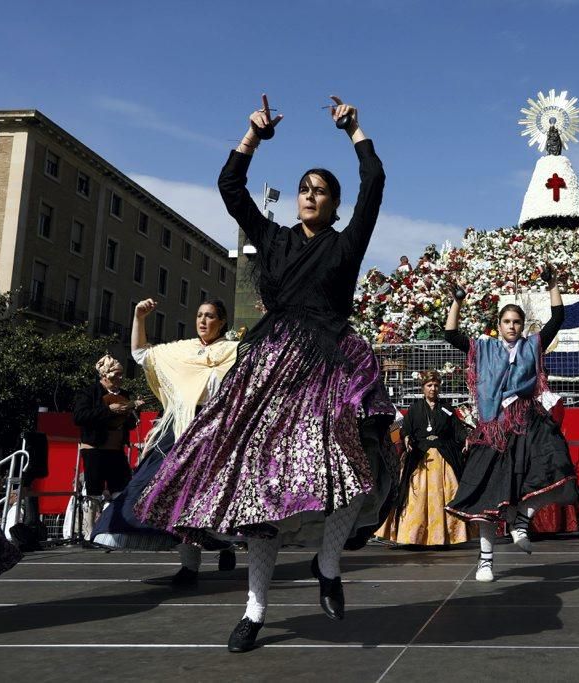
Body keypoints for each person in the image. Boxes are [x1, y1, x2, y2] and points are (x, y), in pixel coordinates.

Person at [136, 95, 397, 653]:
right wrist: (251, 136)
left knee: (347, 468)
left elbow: (374, 182)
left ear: (333, 204)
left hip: (328, 361)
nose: (309, 194)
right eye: (305, 187)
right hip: (270, 364)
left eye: (321, 190)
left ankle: (329, 566)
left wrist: (355, 133)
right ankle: (256, 608)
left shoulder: (346, 245)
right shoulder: (274, 239)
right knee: (258, 487)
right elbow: (230, 187)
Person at [443, 266, 579, 582]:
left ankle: (522, 519)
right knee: (488, 494)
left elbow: (557, 319)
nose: (512, 326)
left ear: (522, 325)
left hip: (528, 420)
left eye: (517, 322)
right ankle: (486, 561)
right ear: (499, 325)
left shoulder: (532, 346)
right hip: (494, 426)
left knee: (557, 466)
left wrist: (553, 286)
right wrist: (457, 301)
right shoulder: (484, 348)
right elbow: (450, 334)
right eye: (507, 322)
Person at [93, 298, 239, 585]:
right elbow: (140, 354)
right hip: (181, 427)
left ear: (222, 321)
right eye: (199, 315)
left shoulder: (234, 352)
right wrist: (139, 317)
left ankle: (227, 542)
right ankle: (189, 566)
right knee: (169, 493)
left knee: (214, 493)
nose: (202, 321)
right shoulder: (181, 351)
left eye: (209, 316)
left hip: (218, 428)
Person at [377, 371, 473, 546]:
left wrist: (465, 438)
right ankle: (413, 536)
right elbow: (405, 429)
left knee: (449, 493)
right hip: (419, 456)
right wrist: (406, 439)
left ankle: (446, 536)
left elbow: (457, 429)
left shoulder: (447, 409)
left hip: (444, 457)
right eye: (429, 385)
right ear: (423, 388)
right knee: (414, 496)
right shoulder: (414, 409)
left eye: (436, 385)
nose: (433, 389)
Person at [72, 355, 138, 501]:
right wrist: (109, 410)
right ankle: (92, 522)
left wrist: (130, 413)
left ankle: (116, 523)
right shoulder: (89, 393)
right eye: (117, 374)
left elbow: (131, 424)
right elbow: (79, 416)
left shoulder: (125, 395)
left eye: (121, 374)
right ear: (105, 375)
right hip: (95, 449)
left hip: (117, 450)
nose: (121, 378)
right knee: (94, 493)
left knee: (122, 491)